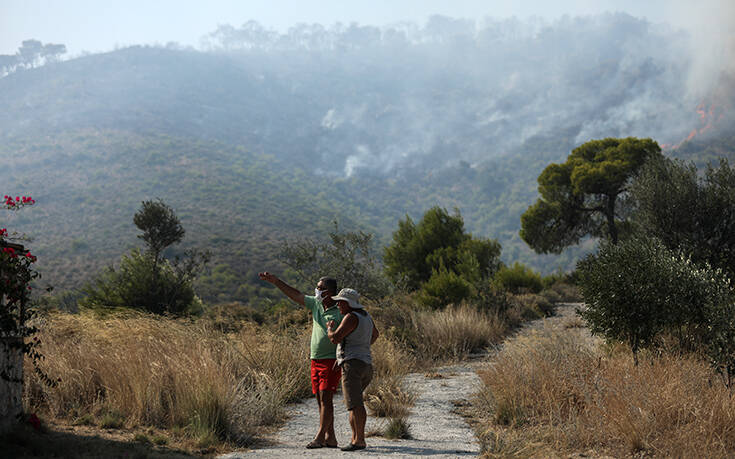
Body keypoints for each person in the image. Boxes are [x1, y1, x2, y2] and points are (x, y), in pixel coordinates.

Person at [258, 272, 343, 449]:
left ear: (332, 292)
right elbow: (296, 294)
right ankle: (331, 436)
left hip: (331, 361)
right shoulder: (316, 305)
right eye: (317, 288)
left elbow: (346, 337)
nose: (317, 291)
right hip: (315, 359)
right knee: (321, 400)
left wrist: (341, 358)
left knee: (326, 398)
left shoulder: (341, 311)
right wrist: (276, 281)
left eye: (321, 289)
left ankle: (320, 437)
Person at [326, 288, 379, 452]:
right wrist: (360, 348)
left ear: (348, 303)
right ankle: (355, 438)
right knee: (353, 402)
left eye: (340, 302)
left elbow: (335, 338)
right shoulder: (366, 316)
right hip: (366, 364)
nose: (338, 305)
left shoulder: (350, 317)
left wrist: (329, 328)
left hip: (352, 366)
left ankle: (360, 441)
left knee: (355, 404)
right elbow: (375, 334)